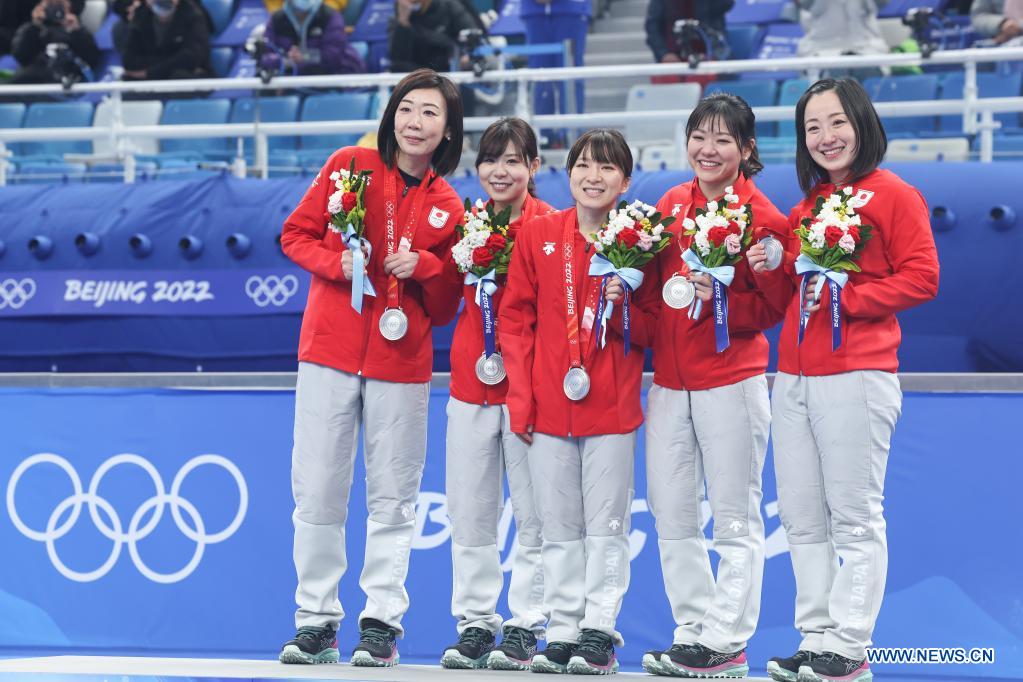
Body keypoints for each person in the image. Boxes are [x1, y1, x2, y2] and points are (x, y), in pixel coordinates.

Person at [277, 68, 465, 668]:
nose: (415, 121)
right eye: (407, 108)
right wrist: (338, 265)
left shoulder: (449, 206)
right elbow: (294, 235)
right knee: (317, 491)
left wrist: (427, 269)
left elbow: (447, 307)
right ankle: (315, 621)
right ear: (391, 116)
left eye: (430, 112)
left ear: (447, 130)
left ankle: (381, 623)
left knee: (393, 497)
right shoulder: (349, 166)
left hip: (400, 362)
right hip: (329, 351)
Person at [765, 78, 939, 682]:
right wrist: (769, 262)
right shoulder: (808, 206)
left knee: (855, 518)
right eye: (812, 127)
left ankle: (849, 644)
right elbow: (792, 288)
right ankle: (815, 637)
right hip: (792, 377)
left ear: (862, 123)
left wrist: (852, 299)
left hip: (858, 374)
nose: (826, 137)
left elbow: (923, 277)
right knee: (802, 518)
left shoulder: (896, 194)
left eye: (837, 122)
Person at [500, 128, 659, 675]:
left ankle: (599, 631)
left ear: (626, 181)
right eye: (584, 165)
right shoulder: (539, 234)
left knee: (607, 526)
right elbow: (515, 321)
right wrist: (521, 399)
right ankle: (564, 629)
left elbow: (656, 330)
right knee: (558, 527)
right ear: (567, 174)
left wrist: (626, 306)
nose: (594, 177)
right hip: (548, 405)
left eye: (607, 167)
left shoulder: (640, 240)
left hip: (611, 407)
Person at [641, 92, 790, 678]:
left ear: (746, 149)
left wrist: (726, 301)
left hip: (731, 381)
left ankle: (727, 639)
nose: (708, 149)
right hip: (669, 384)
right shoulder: (670, 204)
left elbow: (775, 308)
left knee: (734, 518)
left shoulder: (765, 218)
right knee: (672, 513)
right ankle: (693, 632)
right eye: (699, 136)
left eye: (722, 139)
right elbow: (657, 293)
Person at [439, 117, 554, 672]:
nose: (500, 171)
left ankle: (528, 624)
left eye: (513, 160)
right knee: (470, 513)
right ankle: (476, 624)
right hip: (470, 386)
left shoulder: (552, 227)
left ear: (534, 166)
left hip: (529, 392)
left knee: (534, 515)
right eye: (490, 159)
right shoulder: (468, 225)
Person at [520, 0, 590, 128]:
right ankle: (544, 133)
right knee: (540, 77)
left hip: (571, 10)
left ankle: (574, 132)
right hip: (534, 11)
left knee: (570, 76)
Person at [259, 0, 365, 76]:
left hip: (333, 80)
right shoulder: (277, 19)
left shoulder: (330, 17)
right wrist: (285, 61)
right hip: (294, 83)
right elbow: (264, 56)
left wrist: (305, 57)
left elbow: (332, 56)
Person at [8, 0, 99, 84]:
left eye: (59, 5)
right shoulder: (34, 28)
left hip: (67, 79)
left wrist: (76, 32)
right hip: (34, 77)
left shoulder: (77, 30)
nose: (55, 9)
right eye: (50, 4)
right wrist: (35, 27)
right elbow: (21, 56)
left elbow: (92, 59)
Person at [120, 0, 212, 81]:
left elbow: (191, 58)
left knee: (179, 76)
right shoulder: (141, 16)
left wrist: (149, 72)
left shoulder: (193, 15)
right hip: (154, 78)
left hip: (185, 77)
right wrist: (169, 61)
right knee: (128, 80)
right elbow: (129, 60)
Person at [644, 0, 732, 77]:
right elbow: (652, 28)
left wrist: (713, 55)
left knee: (713, 72)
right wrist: (664, 53)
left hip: (708, 54)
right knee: (666, 75)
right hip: (673, 56)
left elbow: (727, 4)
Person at [387, 0, 477, 74]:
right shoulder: (398, 18)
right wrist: (403, 21)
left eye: (416, 2)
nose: (411, 4)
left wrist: (465, 54)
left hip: (446, 68)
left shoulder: (447, 6)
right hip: (416, 74)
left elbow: (472, 33)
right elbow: (397, 59)